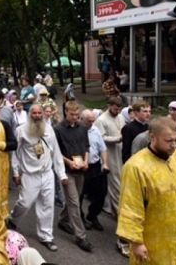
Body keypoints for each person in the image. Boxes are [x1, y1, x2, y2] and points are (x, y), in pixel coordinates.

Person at [117, 117, 176, 264]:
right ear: (153, 137)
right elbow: (130, 206)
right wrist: (137, 242)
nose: (174, 145)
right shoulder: (136, 167)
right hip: (155, 241)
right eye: (169, 141)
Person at [9, 104, 67, 252]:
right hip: (29, 175)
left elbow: (56, 153)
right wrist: (15, 173)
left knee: (47, 205)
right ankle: (12, 219)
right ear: (30, 114)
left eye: (39, 113)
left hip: (47, 174)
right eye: (34, 113)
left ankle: (46, 236)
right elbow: (15, 153)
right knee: (24, 203)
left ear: (43, 114)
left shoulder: (49, 129)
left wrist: (62, 174)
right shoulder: (21, 130)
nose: (37, 116)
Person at [54, 100, 93, 252]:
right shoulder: (58, 129)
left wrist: (86, 161)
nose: (75, 117)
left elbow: (87, 146)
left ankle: (63, 220)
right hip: (66, 170)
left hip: (81, 169)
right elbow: (56, 152)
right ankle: (80, 237)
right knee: (75, 203)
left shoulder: (82, 128)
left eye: (77, 115)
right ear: (66, 112)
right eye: (72, 115)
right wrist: (69, 162)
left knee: (74, 199)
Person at [94, 97, 124, 218]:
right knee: (115, 182)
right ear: (109, 106)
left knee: (120, 180)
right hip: (109, 153)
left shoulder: (121, 117)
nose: (117, 111)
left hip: (120, 151)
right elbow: (100, 138)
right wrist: (117, 139)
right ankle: (118, 212)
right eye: (115, 109)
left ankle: (110, 206)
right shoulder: (101, 120)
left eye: (119, 109)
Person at [80, 109, 108, 231]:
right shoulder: (77, 130)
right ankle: (79, 218)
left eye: (93, 121)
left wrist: (105, 163)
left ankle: (92, 215)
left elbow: (103, 148)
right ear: (81, 119)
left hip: (95, 165)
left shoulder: (95, 130)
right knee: (80, 194)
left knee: (101, 193)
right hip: (81, 167)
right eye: (88, 121)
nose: (91, 123)